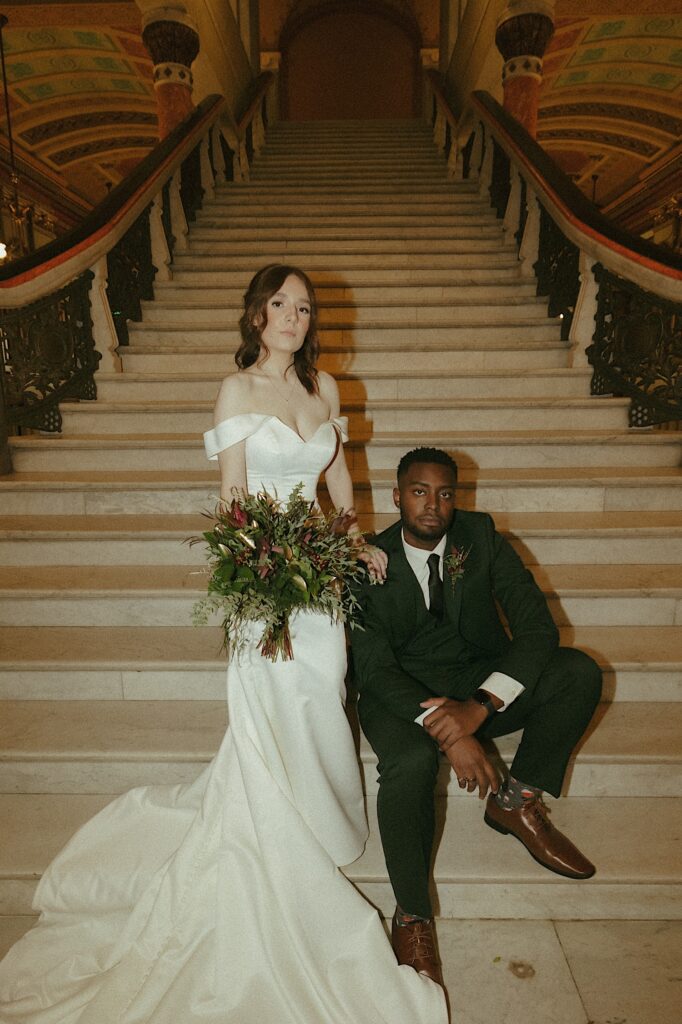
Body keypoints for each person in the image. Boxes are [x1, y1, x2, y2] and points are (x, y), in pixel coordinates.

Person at [0, 267, 448, 1024]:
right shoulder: (237, 391)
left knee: (318, 701)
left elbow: (337, 472)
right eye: (280, 304)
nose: (293, 318)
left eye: (304, 308)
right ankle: (268, 832)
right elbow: (234, 497)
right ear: (257, 313)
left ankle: (313, 817)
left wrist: (354, 539)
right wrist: (261, 571)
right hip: (268, 580)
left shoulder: (325, 390)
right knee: (270, 709)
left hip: (321, 585)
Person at [351, 446, 602, 986]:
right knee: (412, 766)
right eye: (419, 492)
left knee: (577, 672)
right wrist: (447, 731)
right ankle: (413, 912)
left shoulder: (481, 538)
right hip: (399, 694)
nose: (433, 506)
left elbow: (537, 630)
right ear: (397, 497)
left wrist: (479, 707)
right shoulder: (365, 561)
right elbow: (372, 668)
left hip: (474, 680)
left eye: (445, 494)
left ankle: (515, 803)